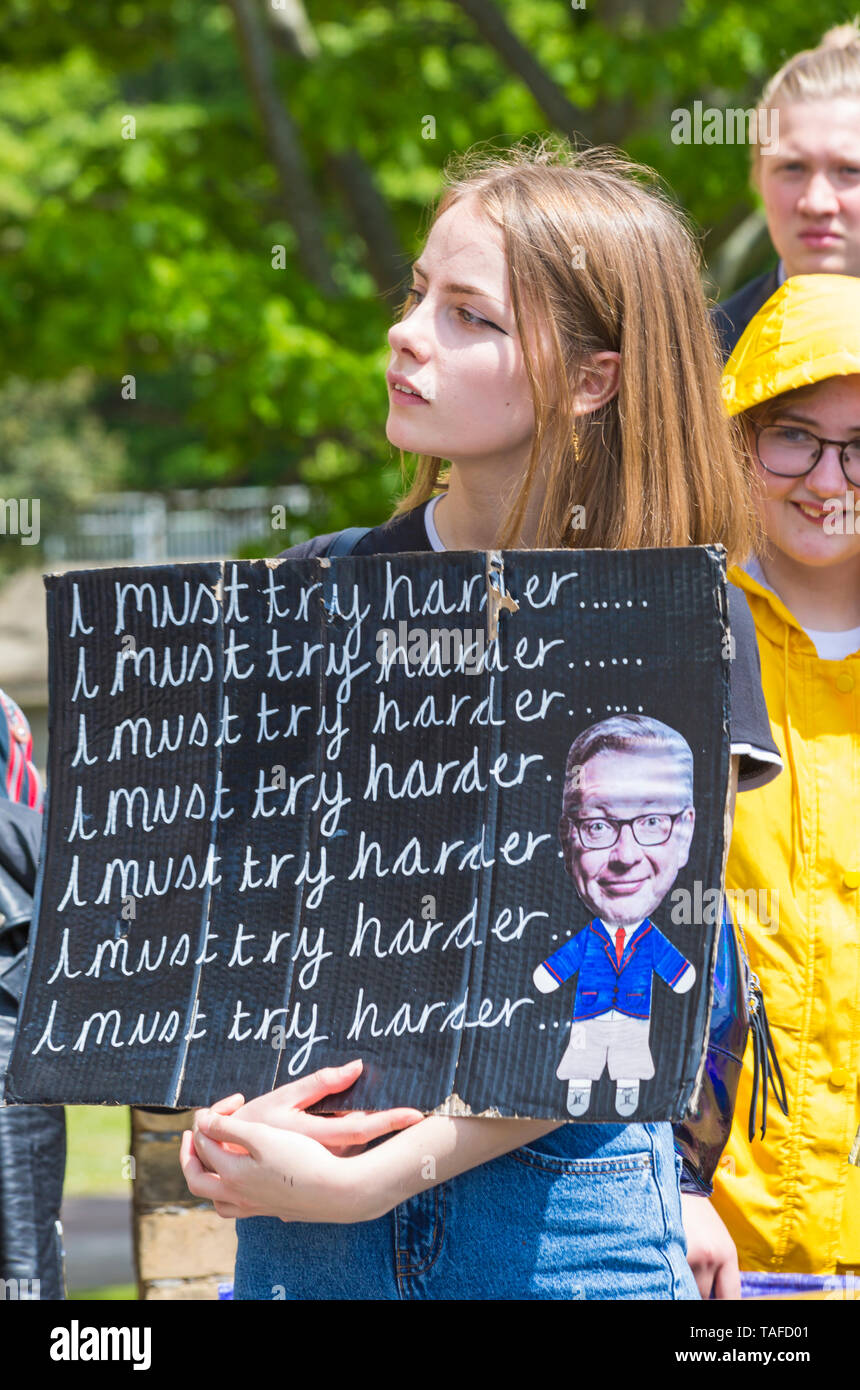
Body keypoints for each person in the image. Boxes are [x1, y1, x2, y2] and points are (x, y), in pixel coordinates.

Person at [179, 139, 781, 1300]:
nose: (407, 334)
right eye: (416, 294)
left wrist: (380, 1177)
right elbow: (246, 938)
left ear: (594, 377)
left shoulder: (685, 624)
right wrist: (229, 1115)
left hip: (557, 1219)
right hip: (311, 1224)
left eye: (470, 316)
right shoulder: (316, 590)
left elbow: (636, 974)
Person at [711, 273, 860, 1293]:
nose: (825, 478)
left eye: (858, 446)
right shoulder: (672, 637)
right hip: (696, 1239)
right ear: (735, 440)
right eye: (791, 436)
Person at [533, 717, 697, 1119]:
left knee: (630, 1058)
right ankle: (580, 1091)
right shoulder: (587, 939)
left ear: (686, 833)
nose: (625, 855)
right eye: (597, 825)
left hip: (635, 1021)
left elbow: (673, 967)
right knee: (582, 1057)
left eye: (653, 821)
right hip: (587, 1019)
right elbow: (562, 964)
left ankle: (626, 1093)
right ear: (566, 837)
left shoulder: (652, 939)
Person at [713, 21, 860, 359]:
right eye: (793, 168)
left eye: (849, 170)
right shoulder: (701, 355)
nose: (816, 202)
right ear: (757, 177)